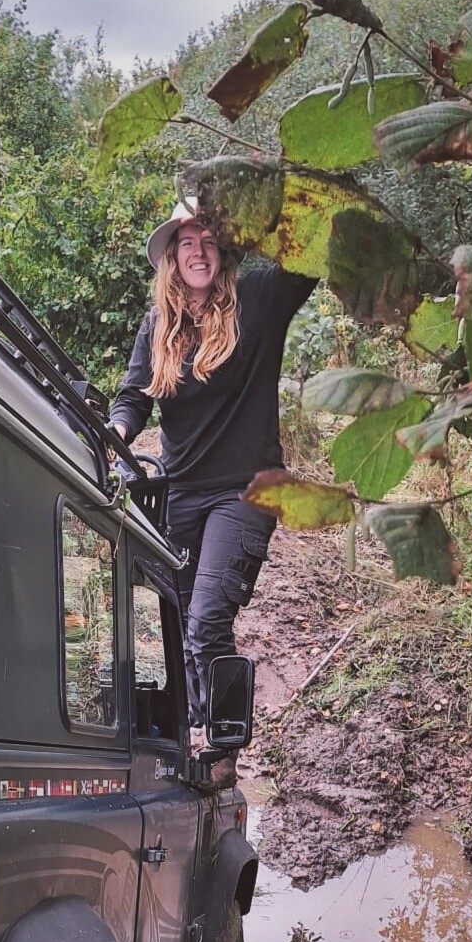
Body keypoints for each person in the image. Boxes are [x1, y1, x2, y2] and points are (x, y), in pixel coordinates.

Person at [109, 199, 316, 745]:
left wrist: (261, 208)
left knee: (205, 623)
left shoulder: (258, 300)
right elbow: (134, 396)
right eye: (187, 243)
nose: (198, 252)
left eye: (208, 240)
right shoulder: (159, 325)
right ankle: (191, 736)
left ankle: (223, 744)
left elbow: (307, 262)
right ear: (172, 257)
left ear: (224, 250)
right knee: (178, 623)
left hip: (246, 490)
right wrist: (119, 430)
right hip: (181, 491)